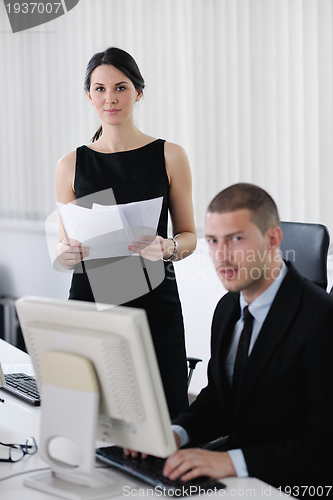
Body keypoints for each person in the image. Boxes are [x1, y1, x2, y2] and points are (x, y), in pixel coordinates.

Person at [161, 183, 333, 496]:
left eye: (236, 239)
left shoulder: (321, 320)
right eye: (213, 241)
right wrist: (175, 434)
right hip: (239, 481)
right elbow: (218, 399)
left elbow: (324, 447)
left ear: (273, 239)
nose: (221, 256)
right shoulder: (228, 308)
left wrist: (231, 462)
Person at [55, 47, 197, 419]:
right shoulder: (70, 164)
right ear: (89, 95)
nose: (110, 98)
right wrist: (63, 255)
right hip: (91, 302)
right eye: (100, 89)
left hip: (155, 303)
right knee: (91, 419)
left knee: (164, 419)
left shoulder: (170, 155)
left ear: (137, 92)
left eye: (120, 87)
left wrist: (167, 246)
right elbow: (63, 245)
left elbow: (189, 236)